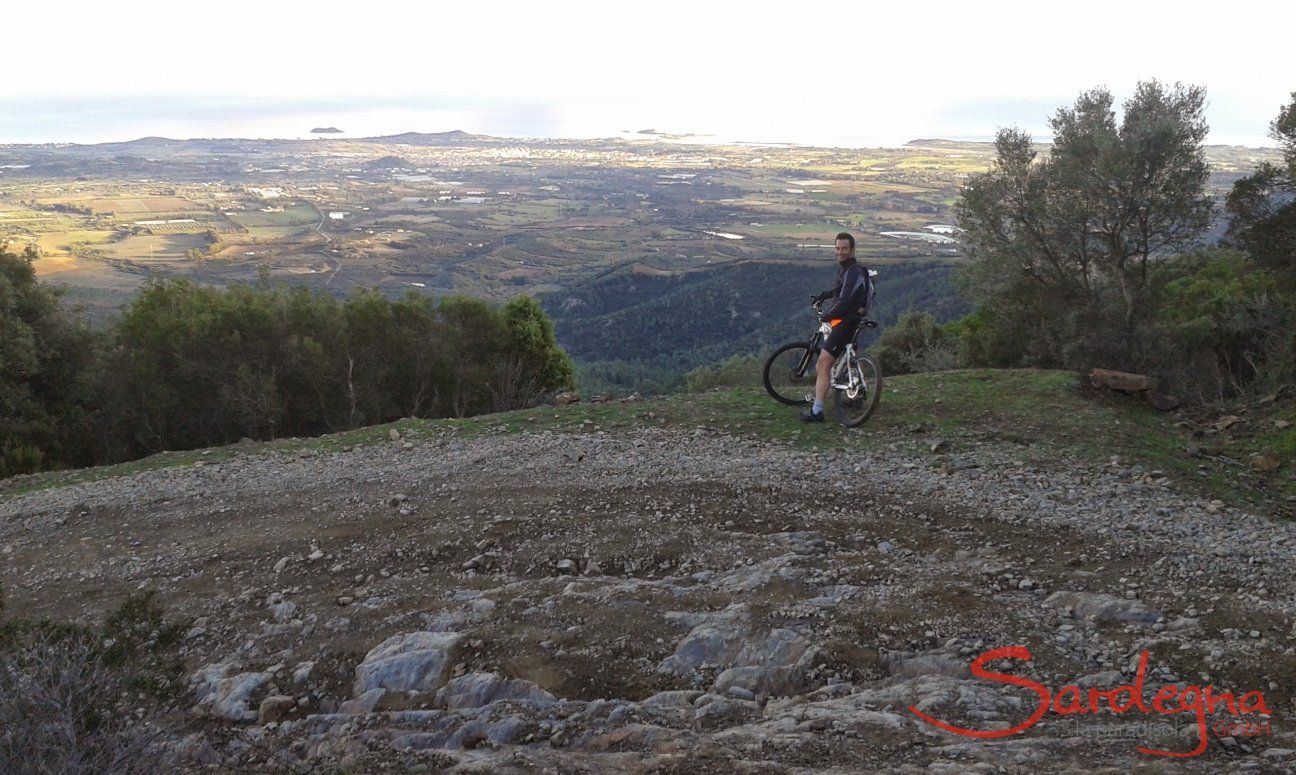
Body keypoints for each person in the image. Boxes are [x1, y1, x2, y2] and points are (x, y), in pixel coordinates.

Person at [801, 232, 871, 422]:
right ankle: (854, 394)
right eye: (838, 248)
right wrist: (825, 294)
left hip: (846, 321)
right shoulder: (848, 270)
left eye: (844, 249)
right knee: (844, 356)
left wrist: (829, 315)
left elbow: (846, 300)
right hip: (852, 320)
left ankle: (817, 411)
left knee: (823, 364)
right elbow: (841, 290)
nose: (840, 252)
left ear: (852, 250)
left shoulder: (853, 270)